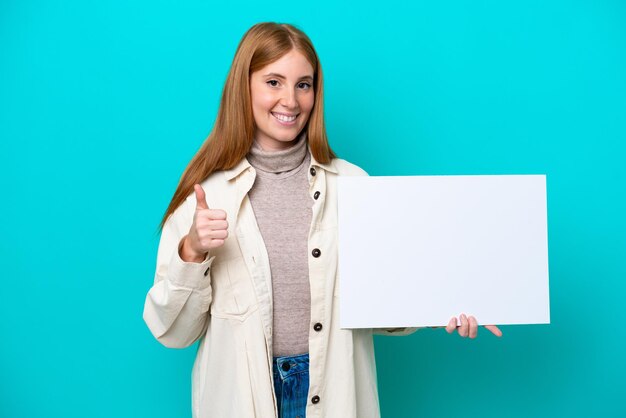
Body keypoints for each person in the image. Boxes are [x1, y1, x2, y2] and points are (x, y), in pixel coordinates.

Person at [143, 22, 502, 418]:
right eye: (274, 82)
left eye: (304, 84)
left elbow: (384, 297)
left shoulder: (352, 185)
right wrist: (192, 251)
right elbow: (173, 332)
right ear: (243, 87)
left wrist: (446, 307)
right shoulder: (208, 197)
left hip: (334, 392)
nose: (291, 101)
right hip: (242, 399)